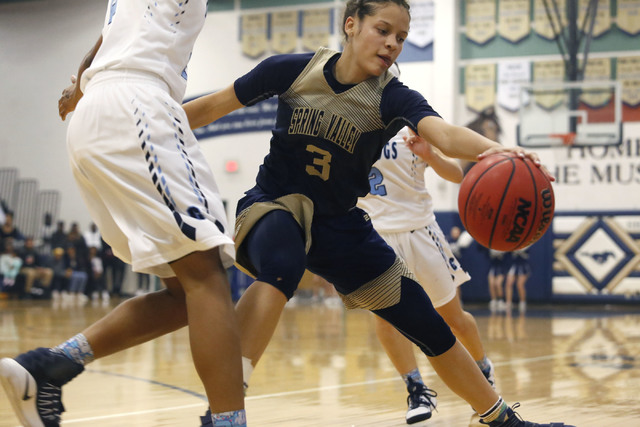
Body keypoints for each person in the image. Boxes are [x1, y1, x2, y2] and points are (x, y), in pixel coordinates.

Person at [186, 2, 570, 426]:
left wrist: (498, 150)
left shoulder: (391, 97)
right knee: (283, 263)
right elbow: (207, 108)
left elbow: (442, 134)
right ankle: (225, 411)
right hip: (275, 204)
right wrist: (139, 136)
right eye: (383, 30)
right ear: (351, 25)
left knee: (427, 321)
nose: (392, 44)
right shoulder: (293, 69)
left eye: (401, 38)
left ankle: (501, 419)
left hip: (340, 225)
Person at [0, 1, 246, 426]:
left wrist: (78, 84)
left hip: (94, 113)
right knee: (206, 277)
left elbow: (105, 37)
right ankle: (229, 422)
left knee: (184, 295)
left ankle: (49, 367)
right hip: (138, 104)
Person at [357, 125, 495, 424]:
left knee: (452, 318)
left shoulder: (410, 122)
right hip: (375, 235)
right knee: (386, 320)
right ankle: (416, 388)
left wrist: (430, 154)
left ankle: (483, 369)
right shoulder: (349, 126)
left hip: (420, 231)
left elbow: (457, 175)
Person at [504, 248, 531, 313]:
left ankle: (522, 302)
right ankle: (508, 303)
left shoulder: (527, 243)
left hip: (523, 265)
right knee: (508, 283)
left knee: (520, 284)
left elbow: (527, 253)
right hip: (514, 265)